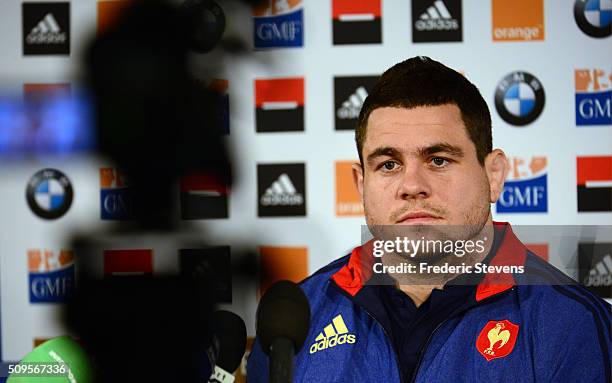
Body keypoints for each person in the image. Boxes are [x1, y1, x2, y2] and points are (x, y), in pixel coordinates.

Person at [247, 56, 611, 382]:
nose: (412, 186)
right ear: (361, 183)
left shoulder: (572, 325)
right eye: (388, 164)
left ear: (494, 174)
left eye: (438, 160)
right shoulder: (298, 318)